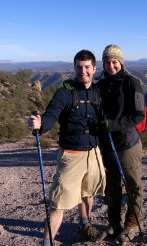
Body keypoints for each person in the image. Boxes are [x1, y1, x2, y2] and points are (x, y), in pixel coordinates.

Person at [28, 49, 106, 246]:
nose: (83, 71)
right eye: (79, 67)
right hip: (71, 155)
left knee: (88, 193)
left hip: (94, 152)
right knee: (58, 204)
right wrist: (40, 124)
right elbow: (52, 114)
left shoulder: (97, 92)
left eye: (87, 67)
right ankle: (47, 243)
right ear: (74, 68)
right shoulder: (64, 93)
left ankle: (85, 227)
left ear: (94, 69)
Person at [96, 44, 145, 242]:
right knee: (112, 185)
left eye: (114, 62)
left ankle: (131, 224)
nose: (110, 66)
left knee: (133, 185)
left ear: (121, 63)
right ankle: (113, 223)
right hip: (107, 144)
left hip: (128, 144)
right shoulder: (99, 84)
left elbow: (138, 115)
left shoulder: (133, 84)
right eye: (107, 62)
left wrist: (113, 124)